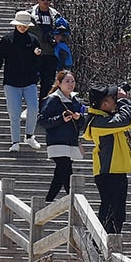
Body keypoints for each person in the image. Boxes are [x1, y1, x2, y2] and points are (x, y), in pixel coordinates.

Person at [0, 12, 45, 151]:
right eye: (20, 25)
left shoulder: (33, 40)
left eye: (25, 25)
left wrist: (37, 56)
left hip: (30, 81)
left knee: (33, 108)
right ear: (15, 24)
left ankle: (29, 136)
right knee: (14, 113)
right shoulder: (7, 40)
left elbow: (39, 62)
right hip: (11, 82)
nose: (22, 27)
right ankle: (15, 141)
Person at [85, 84, 131, 233]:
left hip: (116, 171)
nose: (116, 100)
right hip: (108, 173)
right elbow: (126, 120)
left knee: (118, 215)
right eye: (113, 98)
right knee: (109, 214)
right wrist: (123, 101)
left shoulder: (106, 119)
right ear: (105, 104)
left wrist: (119, 100)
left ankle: (110, 243)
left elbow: (124, 120)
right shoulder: (97, 122)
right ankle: (98, 243)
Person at [41, 69, 87, 201]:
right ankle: (74, 201)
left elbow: (82, 124)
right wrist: (61, 119)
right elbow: (42, 121)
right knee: (66, 172)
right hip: (57, 142)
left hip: (71, 142)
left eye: (72, 81)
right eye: (67, 81)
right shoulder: (53, 99)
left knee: (60, 174)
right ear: (59, 83)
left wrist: (79, 118)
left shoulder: (75, 100)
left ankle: (48, 201)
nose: (71, 84)